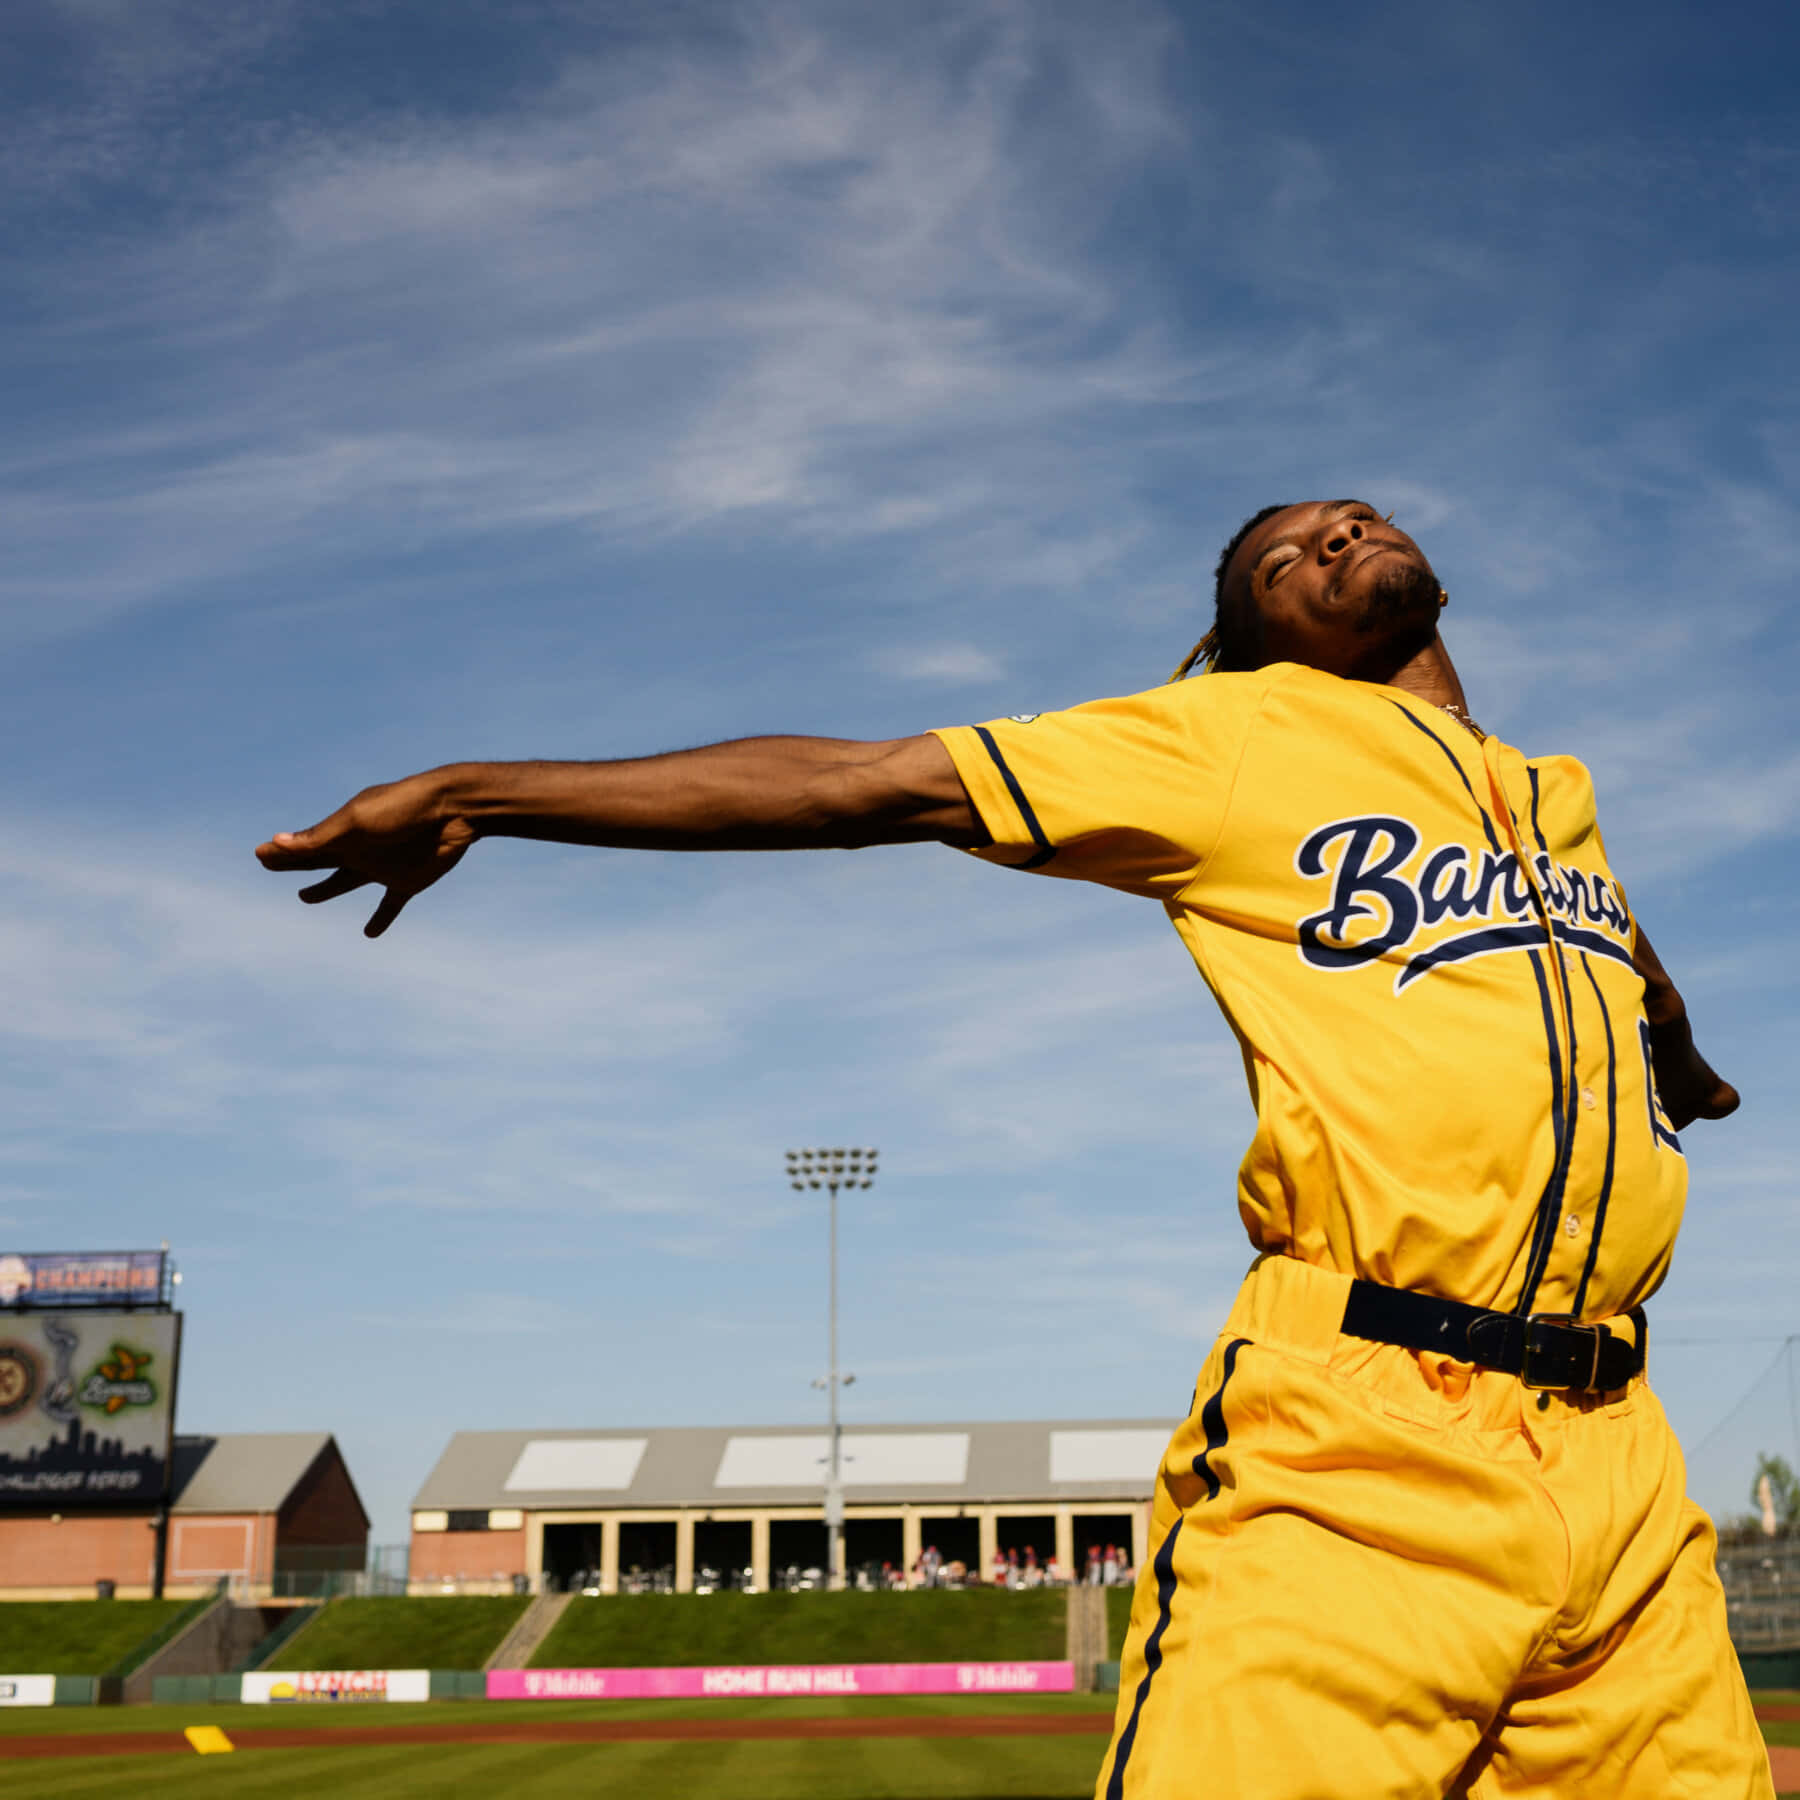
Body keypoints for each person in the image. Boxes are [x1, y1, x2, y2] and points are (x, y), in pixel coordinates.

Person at [258, 498, 1759, 1797]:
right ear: (1257, 642)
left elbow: (1619, 947)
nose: (1331, 535)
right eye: (1282, 558)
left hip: (1623, 1462)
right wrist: (479, 796)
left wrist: (1680, 1058)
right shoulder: (1230, 738)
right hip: (1368, 1441)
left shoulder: (1551, 803)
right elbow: (860, 785)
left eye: (1346, 516)